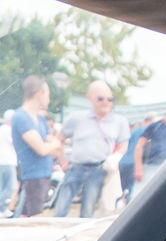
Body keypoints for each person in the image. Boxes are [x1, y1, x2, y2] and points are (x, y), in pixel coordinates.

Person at [51, 81, 129, 218]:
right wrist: (63, 161)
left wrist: (114, 158)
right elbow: (59, 139)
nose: (105, 102)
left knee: (88, 210)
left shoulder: (119, 121)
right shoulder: (77, 118)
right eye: (100, 98)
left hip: (99, 169)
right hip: (75, 167)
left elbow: (124, 144)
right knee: (61, 207)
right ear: (90, 98)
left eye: (110, 99)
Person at [11, 75, 63, 217]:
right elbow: (41, 149)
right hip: (33, 177)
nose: (49, 99)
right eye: (47, 94)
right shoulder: (21, 117)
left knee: (25, 218)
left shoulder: (40, 118)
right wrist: (52, 144)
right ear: (39, 93)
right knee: (35, 219)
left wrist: (51, 145)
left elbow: (53, 148)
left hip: (42, 175)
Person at [132, 102, 166, 195]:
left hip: (162, 166)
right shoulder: (155, 126)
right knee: (141, 194)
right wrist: (138, 167)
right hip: (149, 165)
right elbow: (139, 146)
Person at [0, 109, 16, 216]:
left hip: (0, 161)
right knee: (11, 187)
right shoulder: (8, 130)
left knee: (4, 186)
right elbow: (15, 143)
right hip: (8, 161)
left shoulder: (0, 130)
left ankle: (2, 209)